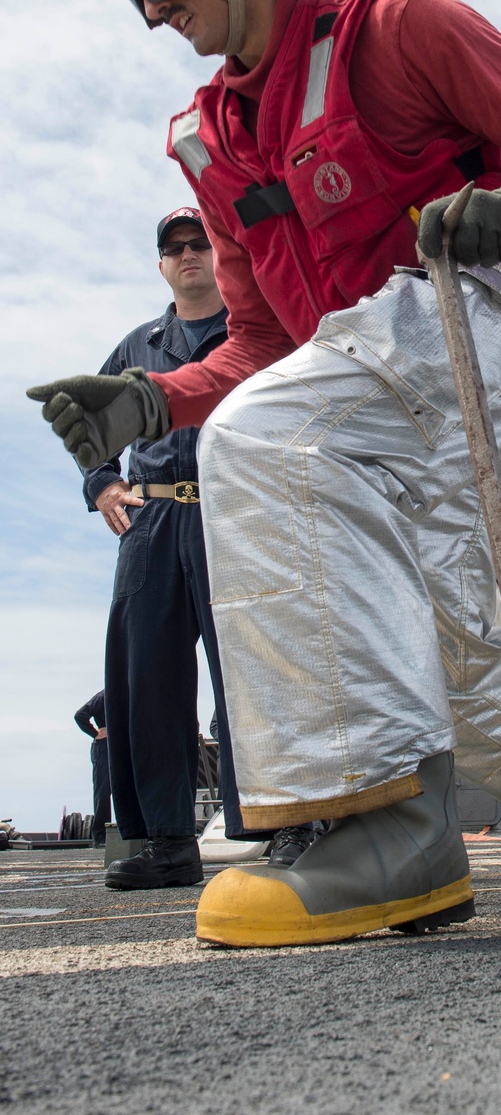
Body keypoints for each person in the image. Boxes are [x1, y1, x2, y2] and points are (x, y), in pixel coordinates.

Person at [28, 0, 501, 942]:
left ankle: (378, 824)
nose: (154, 9)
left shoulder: (396, 27)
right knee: (440, 644)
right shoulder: (210, 139)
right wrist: (150, 404)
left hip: (485, 315)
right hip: (369, 382)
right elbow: (261, 343)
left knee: (265, 445)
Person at [79, 207, 266, 891]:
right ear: (161, 264)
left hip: (237, 513)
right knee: (147, 682)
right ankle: (165, 841)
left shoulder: (258, 329)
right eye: (175, 248)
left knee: (253, 673)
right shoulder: (137, 346)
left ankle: (282, 826)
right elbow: (92, 427)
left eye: (201, 243)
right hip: (152, 521)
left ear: (222, 255)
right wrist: (101, 485)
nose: (189, 254)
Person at [73, 690, 111, 845]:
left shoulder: (130, 694)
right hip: (103, 748)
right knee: (102, 793)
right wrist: (95, 733)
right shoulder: (103, 696)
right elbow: (80, 715)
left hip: (121, 746)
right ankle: (101, 837)